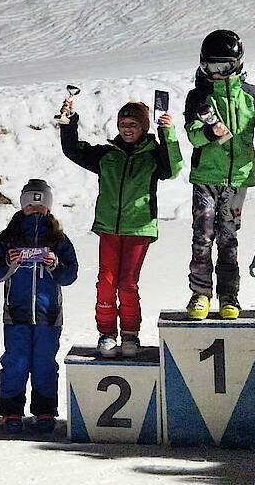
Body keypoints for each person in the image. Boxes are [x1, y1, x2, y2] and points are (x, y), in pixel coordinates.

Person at [60, 98, 182, 356]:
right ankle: (106, 334)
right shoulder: (107, 154)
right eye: (123, 123)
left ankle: (130, 335)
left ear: (144, 127)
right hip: (109, 228)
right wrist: (68, 123)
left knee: (127, 283)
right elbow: (73, 150)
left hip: (139, 228)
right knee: (106, 282)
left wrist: (167, 132)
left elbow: (173, 169)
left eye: (133, 124)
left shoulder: (153, 155)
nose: (127, 128)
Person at [184, 30, 255, 320]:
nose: (218, 73)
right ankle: (200, 293)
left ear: (237, 64)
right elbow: (192, 135)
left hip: (238, 178)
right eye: (211, 66)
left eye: (224, 66)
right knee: (202, 235)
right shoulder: (199, 96)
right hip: (206, 177)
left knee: (228, 237)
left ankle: (229, 295)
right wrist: (210, 132)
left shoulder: (253, 96)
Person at [0, 180, 78, 435]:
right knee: (15, 361)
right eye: (30, 205)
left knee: (44, 363)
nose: (35, 210)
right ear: (22, 206)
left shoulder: (58, 238)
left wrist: (54, 263)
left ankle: (45, 410)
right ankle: (11, 409)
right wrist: (10, 262)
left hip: (48, 314)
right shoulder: (9, 236)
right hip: (17, 312)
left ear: (48, 207)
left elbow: (70, 275)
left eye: (40, 206)